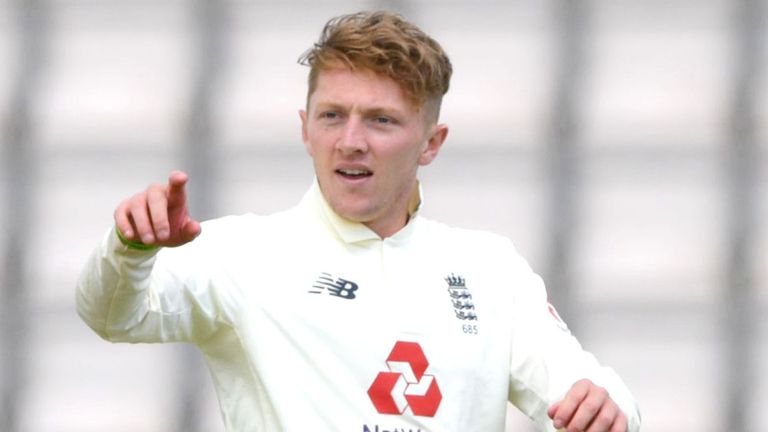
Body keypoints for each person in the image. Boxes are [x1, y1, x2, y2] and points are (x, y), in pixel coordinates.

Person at [77, 10, 640, 432]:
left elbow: (586, 392)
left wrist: (611, 409)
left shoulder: (490, 269)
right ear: (305, 128)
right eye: (332, 116)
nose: (351, 142)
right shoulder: (242, 254)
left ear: (431, 143)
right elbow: (111, 316)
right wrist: (128, 248)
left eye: (381, 120)